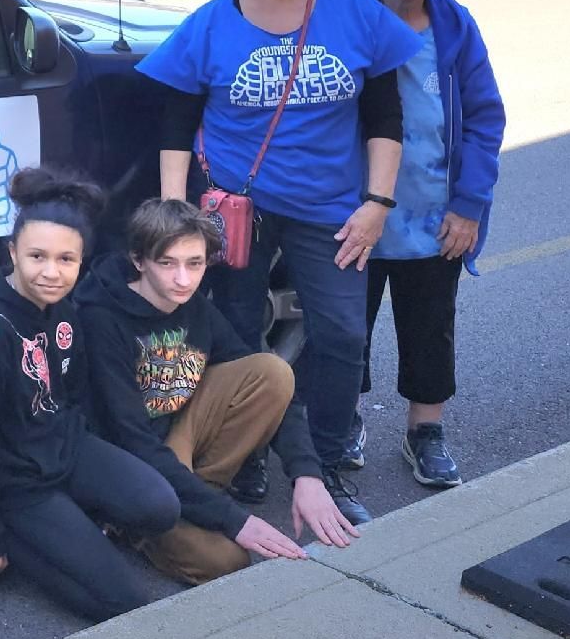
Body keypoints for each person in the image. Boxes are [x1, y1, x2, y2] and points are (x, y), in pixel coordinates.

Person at [139, 0, 423, 524]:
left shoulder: (354, 14)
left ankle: (323, 466)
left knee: (343, 336)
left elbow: (385, 117)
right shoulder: (212, 22)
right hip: (235, 208)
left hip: (332, 206)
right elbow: (176, 121)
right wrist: (176, 211)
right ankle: (248, 454)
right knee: (239, 338)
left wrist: (378, 203)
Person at [75, 199, 359, 586]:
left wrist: (307, 475)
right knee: (226, 561)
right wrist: (234, 521)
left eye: (194, 264)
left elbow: (260, 377)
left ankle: (199, 495)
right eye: (167, 263)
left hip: (181, 434)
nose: (183, 279)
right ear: (139, 260)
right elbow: (133, 439)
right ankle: (133, 526)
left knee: (272, 371)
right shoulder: (101, 317)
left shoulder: (192, 305)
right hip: (133, 461)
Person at [0, 168, 181, 620]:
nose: (51, 272)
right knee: (123, 601)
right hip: (18, 482)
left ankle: (73, 519)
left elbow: (74, 393)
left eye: (66, 259)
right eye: (37, 256)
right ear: (12, 252)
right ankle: (19, 538)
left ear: (82, 259)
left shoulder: (65, 306)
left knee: (160, 507)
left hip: (66, 448)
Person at [343, 0, 505, 487]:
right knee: (345, 324)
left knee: (430, 325)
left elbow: (485, 118)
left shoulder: (454, 26)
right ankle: (345, 421)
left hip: (436, 213)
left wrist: (469, 205)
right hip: (356, 210)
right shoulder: (351, 18)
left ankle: (425, 432)